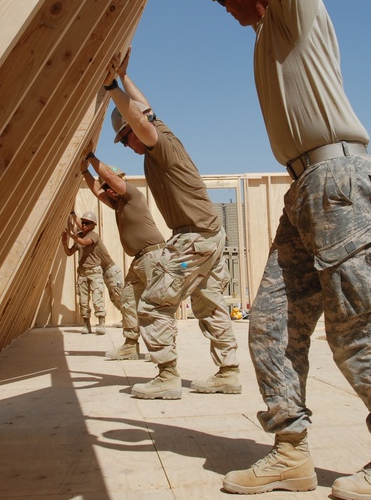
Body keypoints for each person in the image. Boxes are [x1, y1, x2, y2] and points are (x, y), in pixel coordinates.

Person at [171, 0, 371, 500]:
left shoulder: (292, 3)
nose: (225, 10)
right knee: (270, 326)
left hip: (339, 180)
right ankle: (291, 452)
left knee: (356, 324)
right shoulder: (263, 32)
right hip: (306, 191)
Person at [104, 49, 240, 400]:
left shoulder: (157, 143)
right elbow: (145, 108)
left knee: (152, 302)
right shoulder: (160, 136)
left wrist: (109, 86)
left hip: (192, 241)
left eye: (125, 137)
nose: (127, 145)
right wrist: (124, 78)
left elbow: (142, 119)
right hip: (209, 236)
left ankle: (166, 377)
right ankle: (229, 372)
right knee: (209, 302)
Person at [79, 151, 166, 361]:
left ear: (122, 182)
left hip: (153, 255)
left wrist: (91, 157)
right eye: (107, 187)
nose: (109, 189)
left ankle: (162, 351)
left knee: (156, 304)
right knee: (127, 299)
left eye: (113, 184)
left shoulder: (132, 195)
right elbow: (98, 191)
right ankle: (130, 345)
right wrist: (84, 171)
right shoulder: (117, 204)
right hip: (139, 260)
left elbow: (109, 179)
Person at [61, 210, 108, 335]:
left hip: (94, 271)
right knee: (83, 300)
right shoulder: (79, 236)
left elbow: (84, 242)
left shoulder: (93, 236)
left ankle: (101, 323)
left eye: (87, 223)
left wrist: (72, 235)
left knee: (97, 298)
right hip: (82, 273)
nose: (84, 225)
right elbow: (69, 253)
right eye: (83, 222)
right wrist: (65, 242)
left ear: (93, 225)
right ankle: (86, 324)